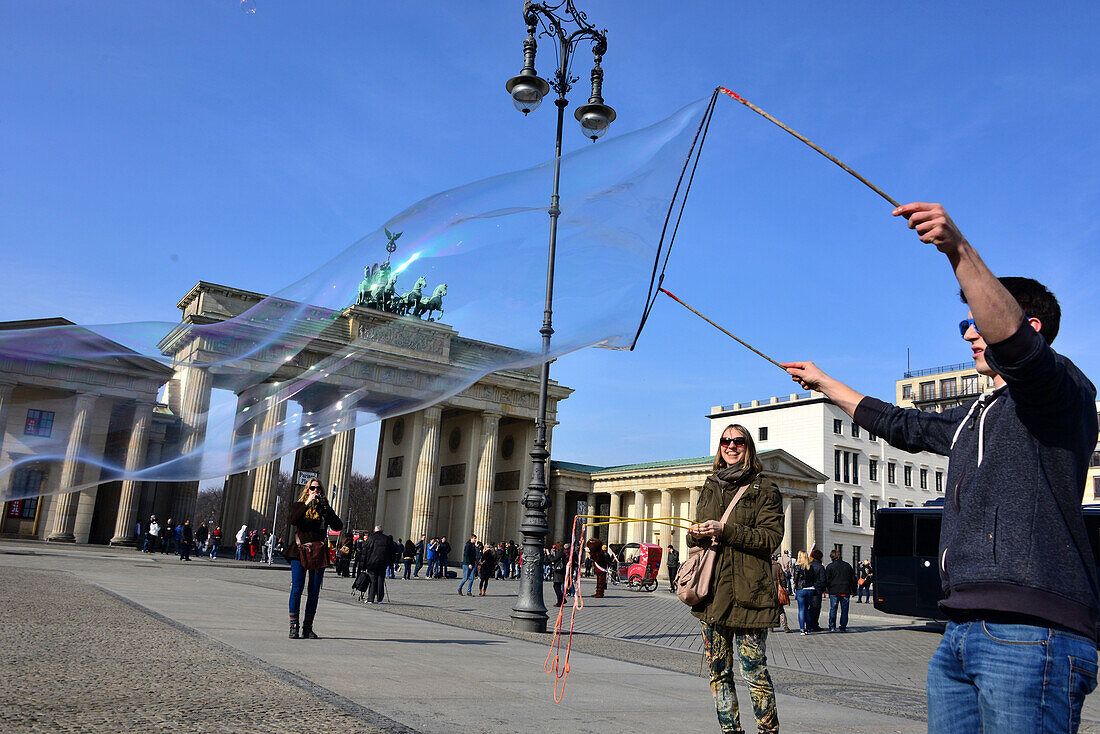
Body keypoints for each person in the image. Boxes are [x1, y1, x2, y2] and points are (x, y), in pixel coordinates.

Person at [783, 202, 1099, 733]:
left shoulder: (1059, 388)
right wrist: (825, 384)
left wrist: (957, 249)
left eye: (976, 320)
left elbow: (1019, 351)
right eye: (966, 324)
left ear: (1031, 325)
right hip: (960, 629)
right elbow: (903, 426)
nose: (970, 333)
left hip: (1031, 631)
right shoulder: (975, 414)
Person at [687, 423, 782, 734]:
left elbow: (770, 539)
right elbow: (699, 534)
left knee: (754, 671)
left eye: (738, 441)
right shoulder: (710, 485)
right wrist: (695, 535)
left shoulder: (764, 488)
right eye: (725, 441)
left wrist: (725, 530)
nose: (731, 446)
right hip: (712, 593)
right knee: (718, 672)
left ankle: (768, 731)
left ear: (748, 447)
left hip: (749, 594)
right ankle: (730, 731)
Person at [285, 479, 343, 639]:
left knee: (314, 591)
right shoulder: (299, 505)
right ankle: (293, 626)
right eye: (312, 488)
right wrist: (307, 503)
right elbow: (293, 520)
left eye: (318, 488)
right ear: (307, 490)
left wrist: (327, 508)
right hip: (299, 551)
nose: (316, 490)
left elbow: (338, 526)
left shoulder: (323, 508)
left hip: (318, 552)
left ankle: (307, 627)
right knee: (297, 588)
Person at [824, 549, 857, 632]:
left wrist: (827, 588)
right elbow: (853, 579)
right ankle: (843, 627)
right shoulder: (847, 566)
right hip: (845, 590)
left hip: (834, 591)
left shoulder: (830, 567)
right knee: (844, 610)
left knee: (833, 609)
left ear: (832, 557)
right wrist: (854, 590)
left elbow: (827, 580)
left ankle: (832, 626)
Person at [361, 525, 394, 605]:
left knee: (372, 580)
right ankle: (380, 599)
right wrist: (390, 563)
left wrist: (363, 565)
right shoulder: (387, 539)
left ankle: (370, 599)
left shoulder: (370, 538)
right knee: (380, 580)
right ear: (382, 531)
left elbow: (364, 553)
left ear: (374, 531)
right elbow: (391, 552)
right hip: (383, 563)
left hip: (371, 563)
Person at [791, 550, 816, 635]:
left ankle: (802, 629)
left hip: (801, 589)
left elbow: (796, 578)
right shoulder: (811, 567)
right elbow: (814, 578)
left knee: (801, 609)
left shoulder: (797, 566)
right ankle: (808, 628)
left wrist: (795, 586)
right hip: (810, 589)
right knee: (807, 609)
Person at [772, 556, 792, 633]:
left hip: (769, 590)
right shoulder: (777, 566)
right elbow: (782, 577)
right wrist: (784, 587)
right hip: (778, 589)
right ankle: (785, 626)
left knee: (771, 609)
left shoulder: (765, 565)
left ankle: (771, 627)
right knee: (780, 609)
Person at [808, 548, 826, 632]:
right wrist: (822, 589)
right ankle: (814, 624)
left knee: (809, 607)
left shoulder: (809, 565)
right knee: (816, 608)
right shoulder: (820, 567)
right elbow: (823, 580)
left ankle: (808, 624)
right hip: (817, 589)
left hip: (809, 588)